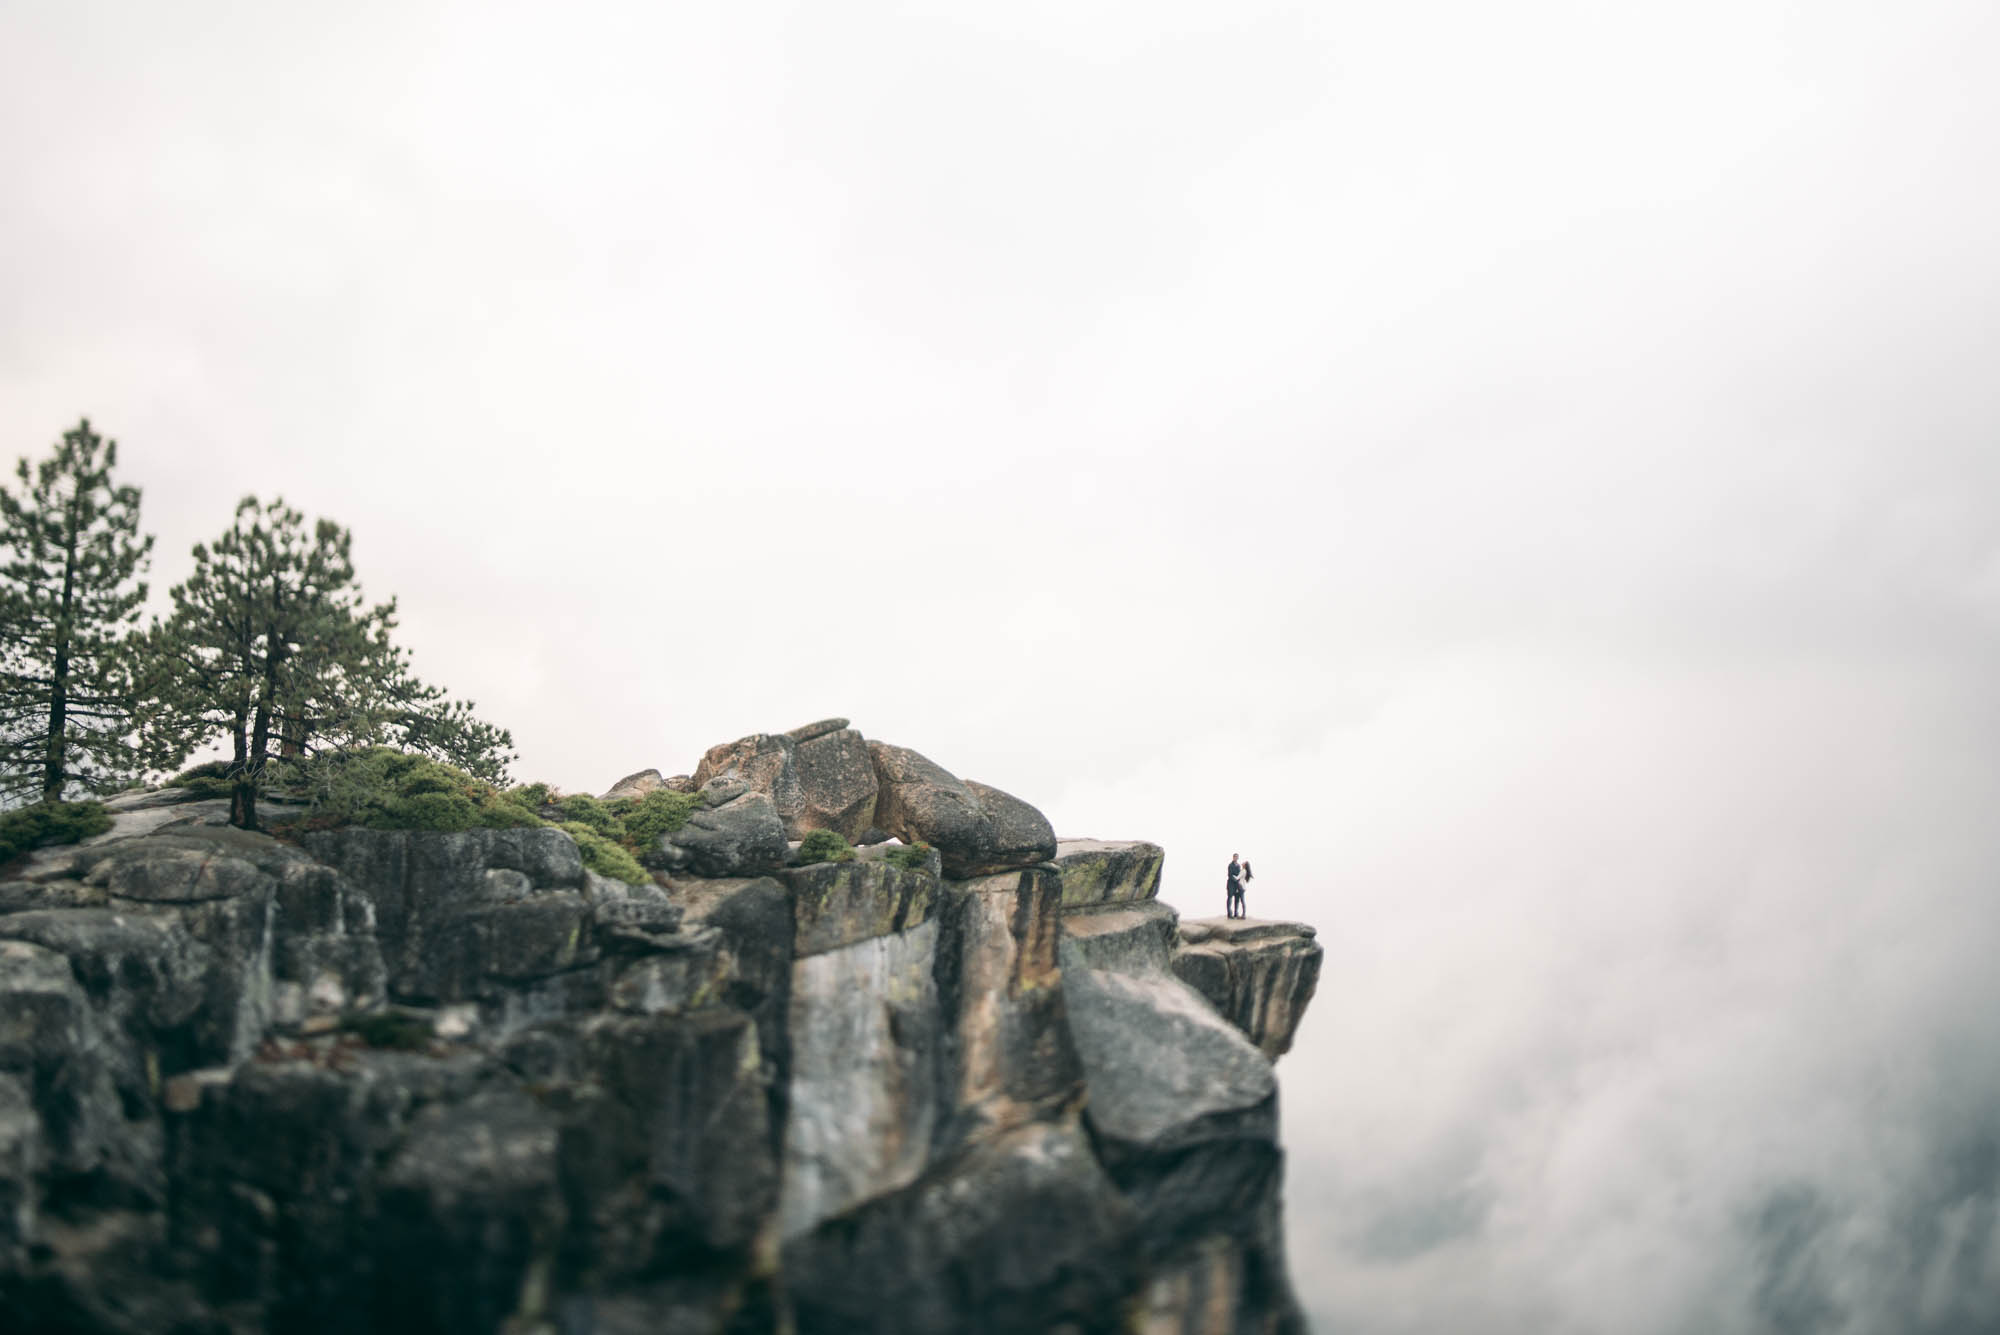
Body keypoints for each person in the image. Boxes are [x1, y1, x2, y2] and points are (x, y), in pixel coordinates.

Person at [1226, 854, 1244, 919]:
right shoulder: (1230, 865)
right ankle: (1229, 913)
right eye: (1234, 857)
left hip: (1237, 884)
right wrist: (1235, 879)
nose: (1235, 858)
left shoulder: (1238, 865)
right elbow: (1230, 875)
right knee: (1230, 898)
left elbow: (1239, 874)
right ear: (1233, 857)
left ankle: (1236, 913)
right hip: (1231, 884)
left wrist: (1239, 881)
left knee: (1237, 899)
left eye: (1236, 857)